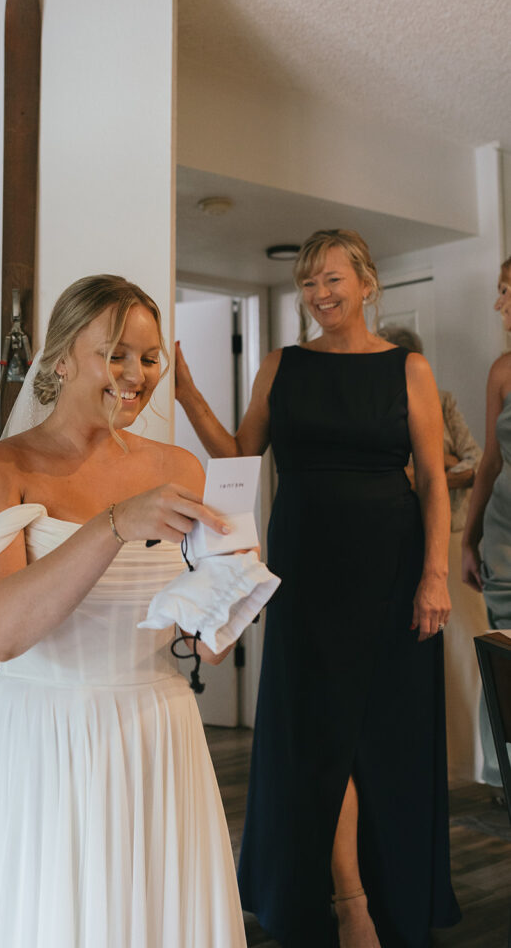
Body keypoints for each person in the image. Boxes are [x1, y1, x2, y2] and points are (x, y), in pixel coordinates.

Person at [0, 275, 249, 948]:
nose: (137, 375)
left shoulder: (182, 468)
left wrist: (225, 604)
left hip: (155, 731)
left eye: (150, 357)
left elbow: (201, 640)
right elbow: (1, 630)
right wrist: (111, 524)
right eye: (116, 353)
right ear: (62, 356)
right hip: (39, 736)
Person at [175, 230, 460, 948]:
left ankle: (389, 899)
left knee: (386, 738)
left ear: (366, 283)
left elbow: (431, 479)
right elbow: (239, 457)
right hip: (304, 571)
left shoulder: (409, 369)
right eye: (307, 283)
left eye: (331, 279)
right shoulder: (280, 365)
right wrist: (184, 390)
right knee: (313, 737)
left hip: (393, 572)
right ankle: (346, 901)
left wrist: (433, 576)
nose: (319, 294)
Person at [379, 326, 486, 784]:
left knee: (466, 658)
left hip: (449, 535)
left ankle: (473, 764)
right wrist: (431, 469)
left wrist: (436, 472)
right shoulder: (374, 409)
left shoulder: (440, 400)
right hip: (398, 539)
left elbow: (475, 462)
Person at [462, 258, 511, 796]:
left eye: (505, 291)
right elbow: (490, 463)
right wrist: (470, 541)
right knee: (505, 658)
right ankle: (506, 781)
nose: (499, 304)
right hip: (505, 539)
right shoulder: (503, 369)